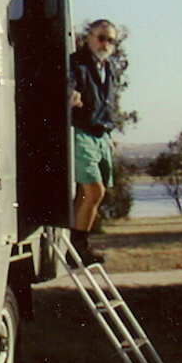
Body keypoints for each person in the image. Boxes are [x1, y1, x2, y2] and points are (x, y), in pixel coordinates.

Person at [69, 19, 120, 265]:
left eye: (110, 40)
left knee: (88, 193)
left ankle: (75, 245)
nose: (105, 44)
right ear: (88, 37)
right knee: (94, 190)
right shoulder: (76, 62)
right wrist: (69, 94)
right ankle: (79, 246)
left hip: (102, 135)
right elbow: (67, 84)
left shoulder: (108, 68)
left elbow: (108, 104)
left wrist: (109, 134)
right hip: (81, 132)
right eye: (101, 37)